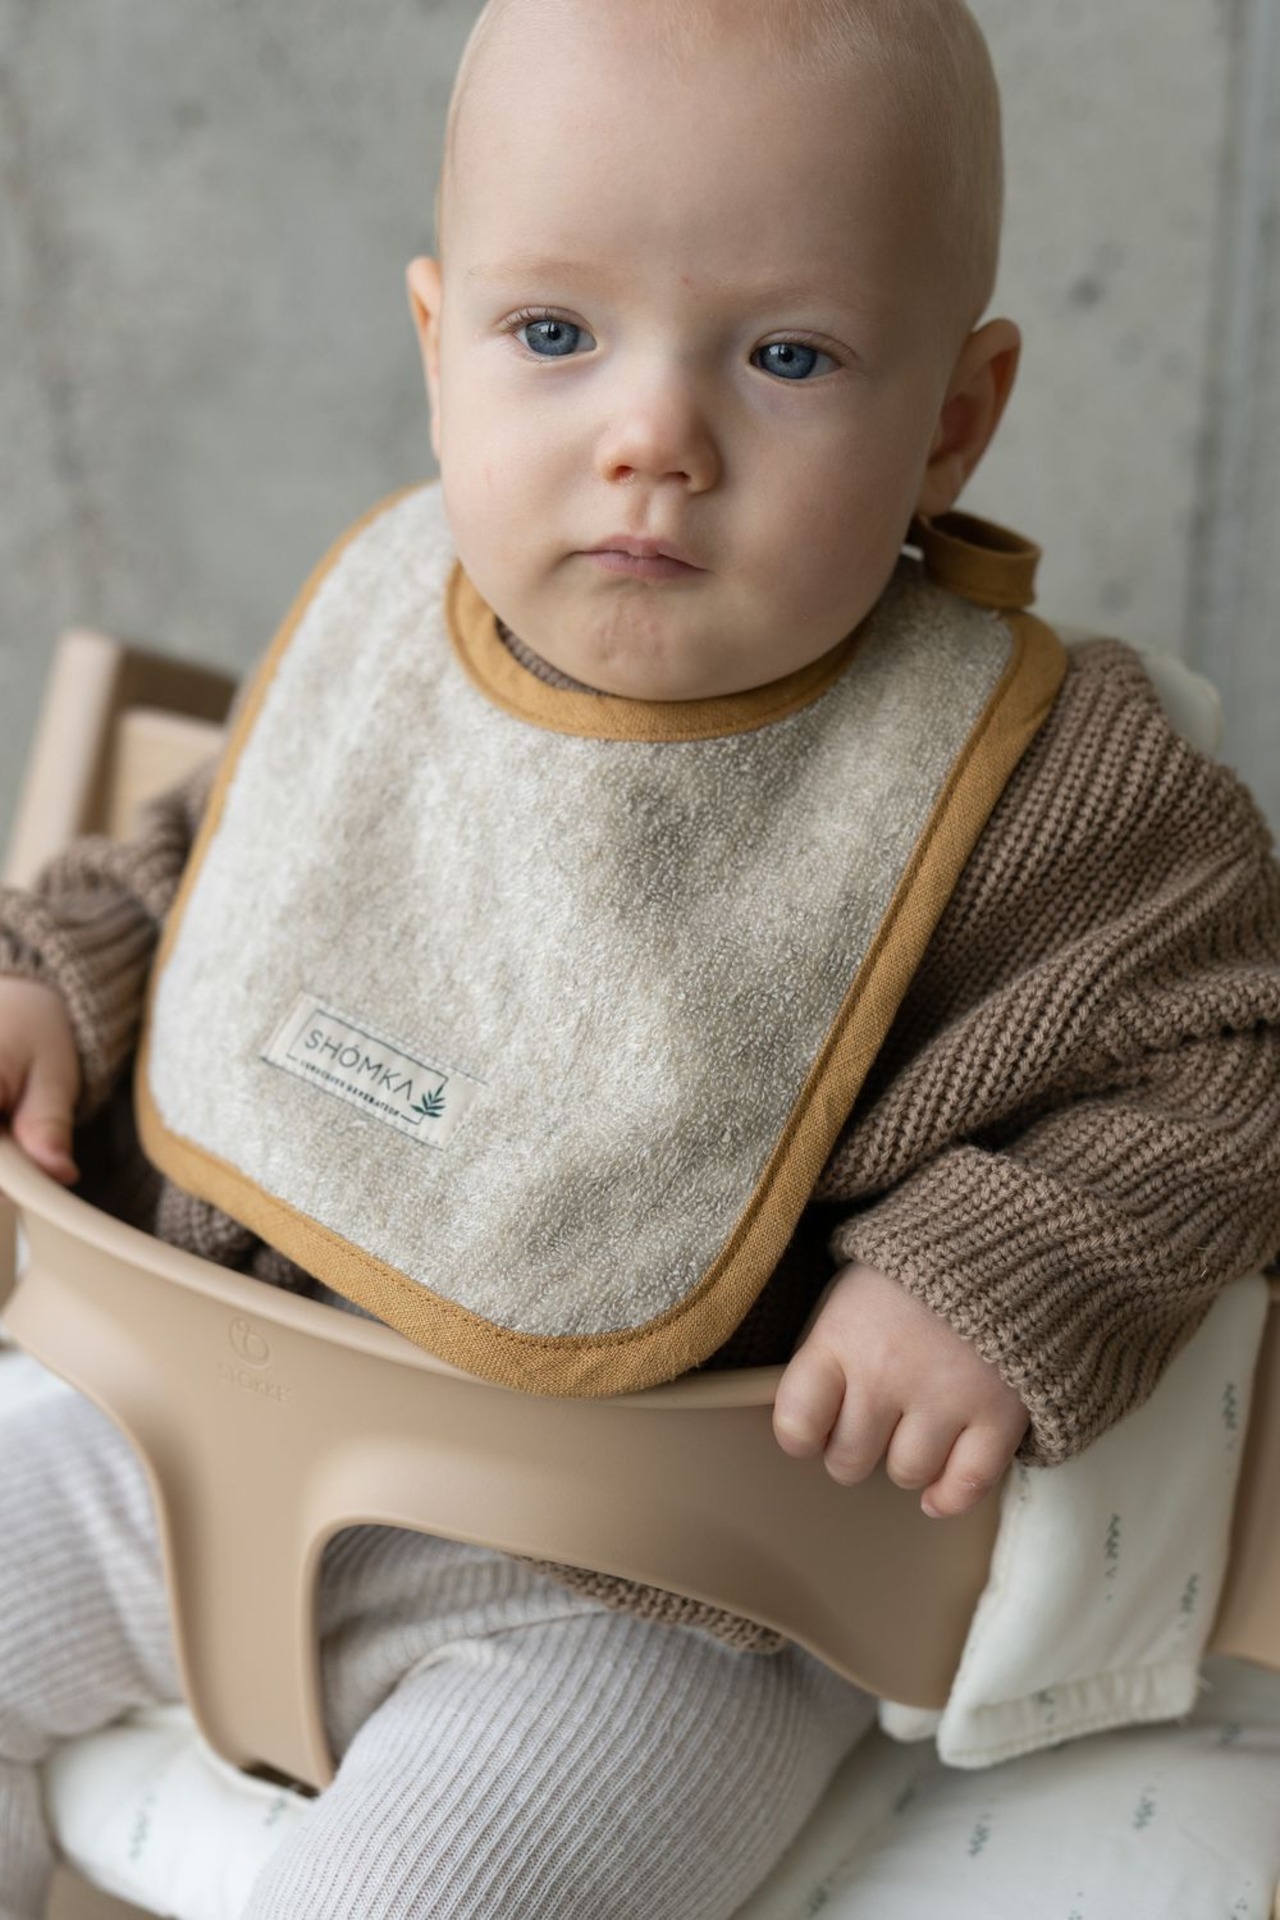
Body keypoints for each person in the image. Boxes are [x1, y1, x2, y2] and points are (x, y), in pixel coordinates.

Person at [1, 0, 1279, 1913]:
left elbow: (1226, 1058)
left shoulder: (1046, 791)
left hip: (658, 1601)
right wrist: (53, 977)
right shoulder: (392, 629)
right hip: (176, 1460)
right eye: (552, 335)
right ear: (437, 344)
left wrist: (993, 1264)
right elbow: (206, 874)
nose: (653, 439)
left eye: (787, 355)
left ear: (952, 420)